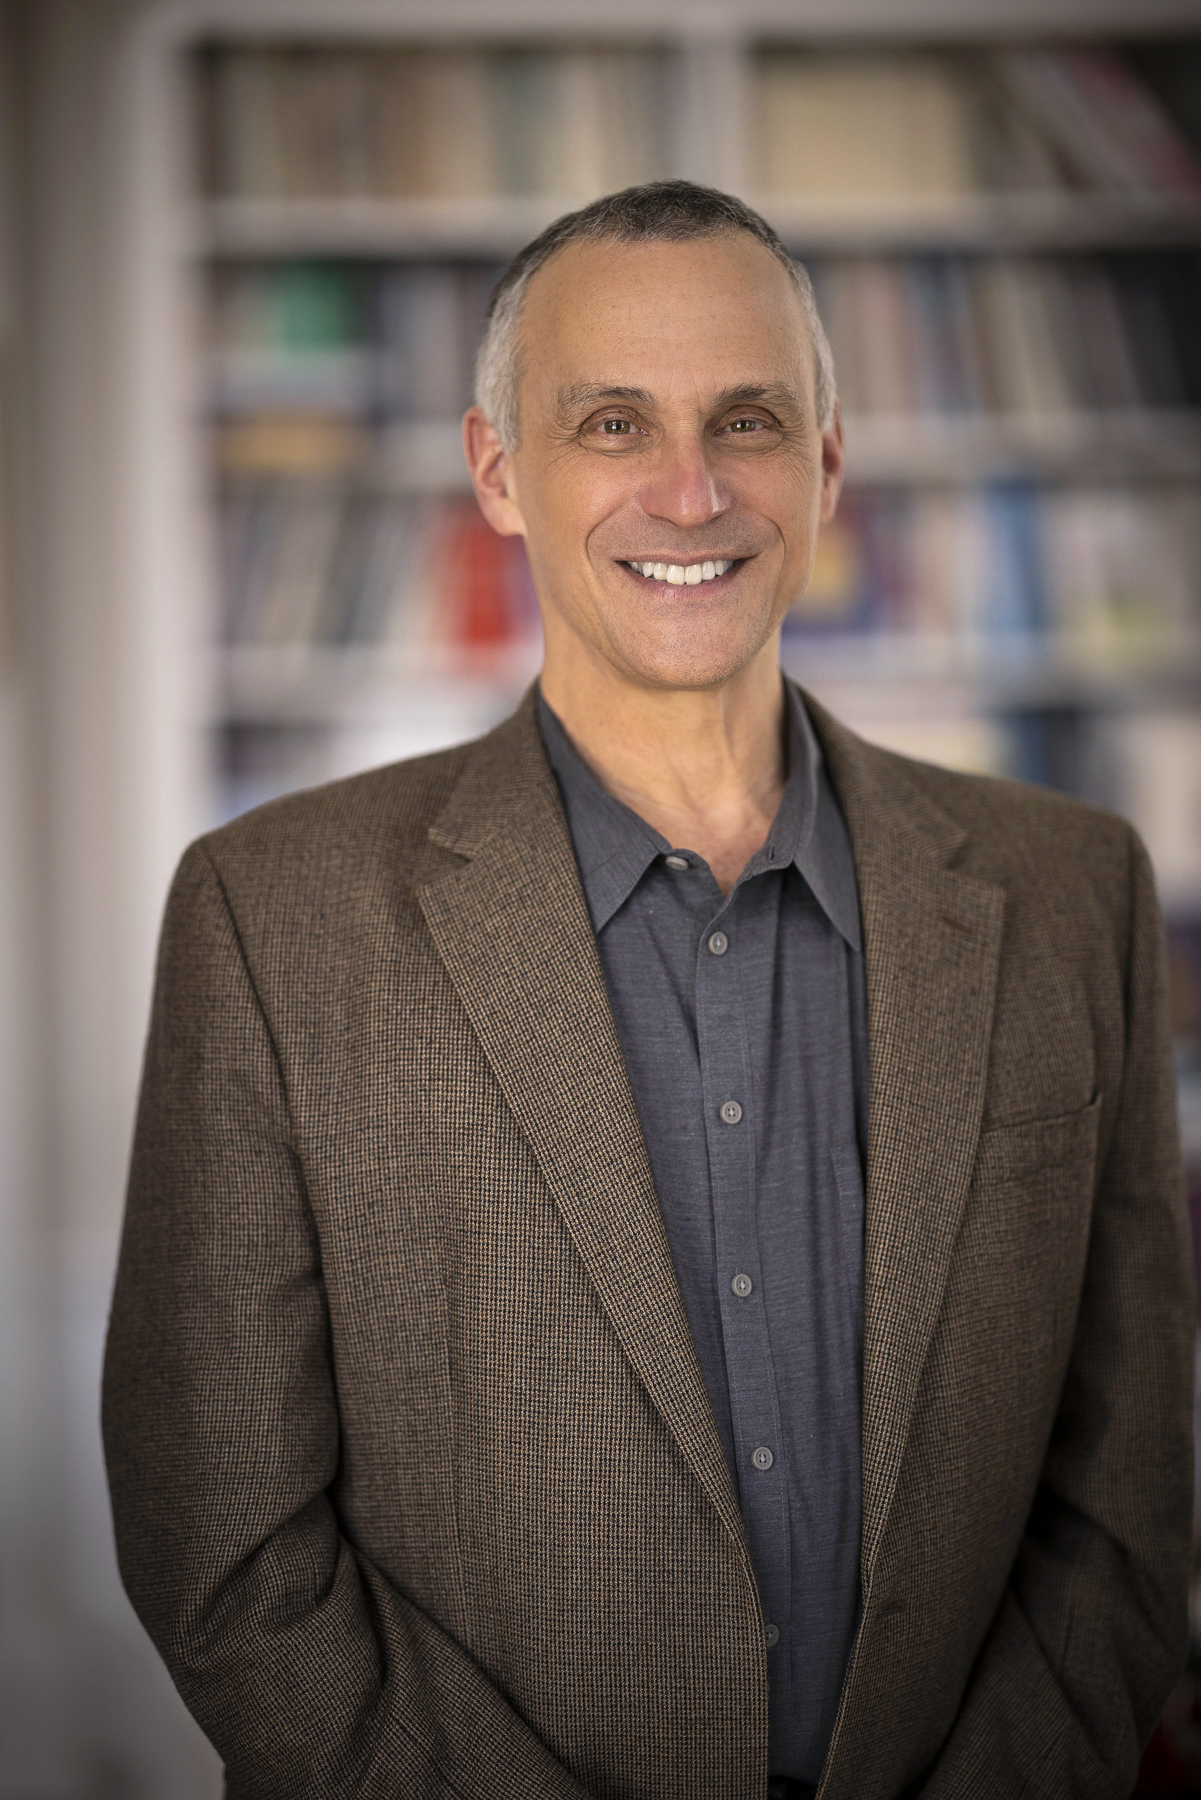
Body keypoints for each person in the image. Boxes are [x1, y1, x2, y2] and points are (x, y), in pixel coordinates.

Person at [102, 182, 1193, 1800]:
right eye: (612, 423)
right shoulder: (273, 919)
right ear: (499, 473)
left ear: (823, 469)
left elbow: (1127, 1495)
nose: (689, 492)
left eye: (744, 421)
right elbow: (225, 1541)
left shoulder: (1068, 889)